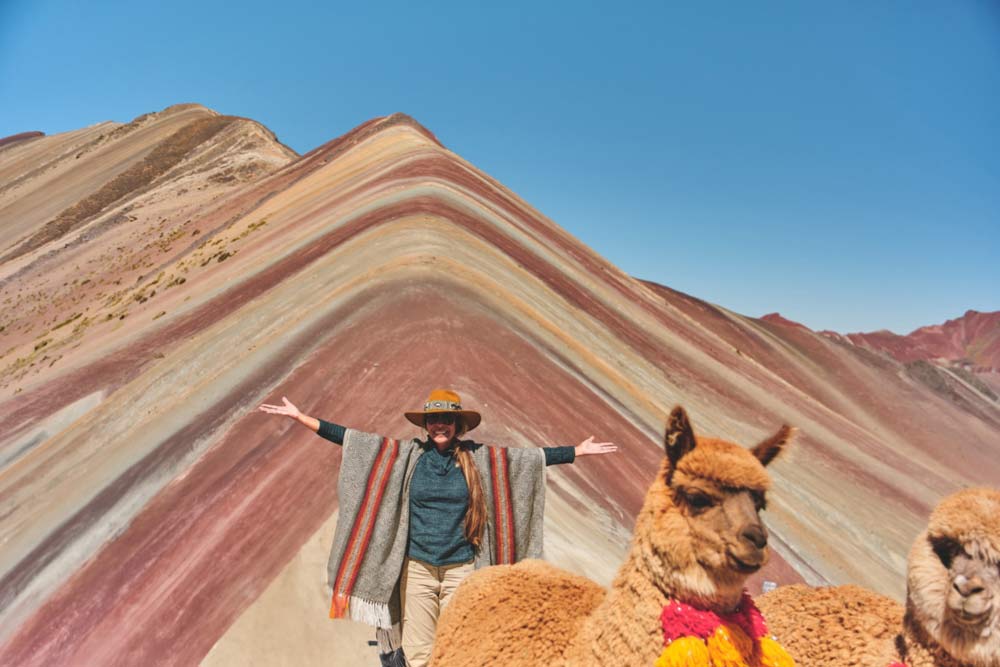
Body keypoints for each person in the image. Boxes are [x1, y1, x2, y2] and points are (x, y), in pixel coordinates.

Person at [258, 388, 617, 667]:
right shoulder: (408, 456)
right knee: (418, 654)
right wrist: (300, 417)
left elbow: (526, 460)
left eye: (446, 419)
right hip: (418, 571)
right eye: (433, 420)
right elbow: (352, 439)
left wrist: (575, 451)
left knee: (458, 647)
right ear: (425, 426)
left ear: (458, 425)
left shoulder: (479, 460)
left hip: (463, 571)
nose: (439, 425)